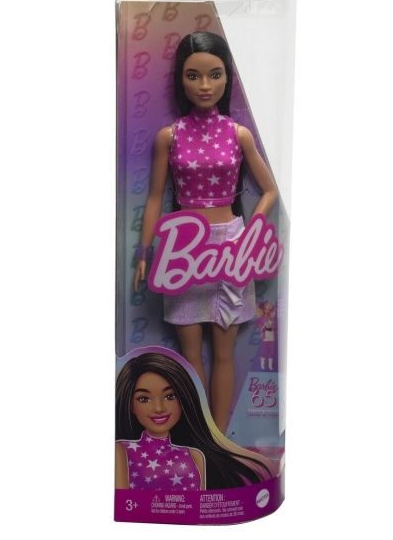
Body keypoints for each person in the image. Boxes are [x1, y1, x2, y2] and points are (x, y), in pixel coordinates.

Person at [132, 31, 278, 433]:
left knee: (225, 351)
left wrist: (249, 235)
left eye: (215, 74)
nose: (205, 85)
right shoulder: (170, 136)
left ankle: (221, 440)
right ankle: (202, 435)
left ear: (228, 77)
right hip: (183, 251)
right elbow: (155, 197)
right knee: (190, 353)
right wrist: (144, 254)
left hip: (230, 248)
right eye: (193, 75)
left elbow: (269, 190)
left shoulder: (237, 134)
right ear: (180, 78)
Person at [115, 351, 272, 490]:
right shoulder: (122, 451)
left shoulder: (195, 455)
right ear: (130, 405)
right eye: (143, 399)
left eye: (170, 396)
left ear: (183, 398)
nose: (159, 408)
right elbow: (124, 501)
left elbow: (199, 503)